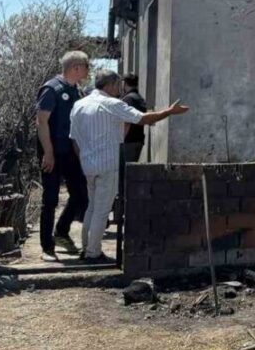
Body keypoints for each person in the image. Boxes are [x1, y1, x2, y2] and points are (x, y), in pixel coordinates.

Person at [69, 69, 190, 262]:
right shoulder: (112, 104)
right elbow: (144, 119)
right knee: (101, 210)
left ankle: (87, 248)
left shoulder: (79, 105)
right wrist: (169, 112)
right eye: (117, 85)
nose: (120, 89)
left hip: (88, 164)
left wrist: (84, 158)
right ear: (109, 85)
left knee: (92, 207)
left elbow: (74, 139)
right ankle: (93, 253)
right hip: (108, 163)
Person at [35, 51, 91, 261]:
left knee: (80, 195)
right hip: (52, 151)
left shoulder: (76, 90)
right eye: (86, 66)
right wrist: (48, 153)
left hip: (70, 152)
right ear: (76, 67)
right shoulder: (52, 89)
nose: (87, 70)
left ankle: (61, 231)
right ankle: (47, 248)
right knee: (50, 199)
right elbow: (41, 122)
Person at [120, 74, 148, 163]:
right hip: (138, 139)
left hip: (128, 141)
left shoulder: (128, 99)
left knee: (125, 170)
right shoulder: (139, 98)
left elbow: (126, 122)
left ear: (124, 84)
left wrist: (121, 138)